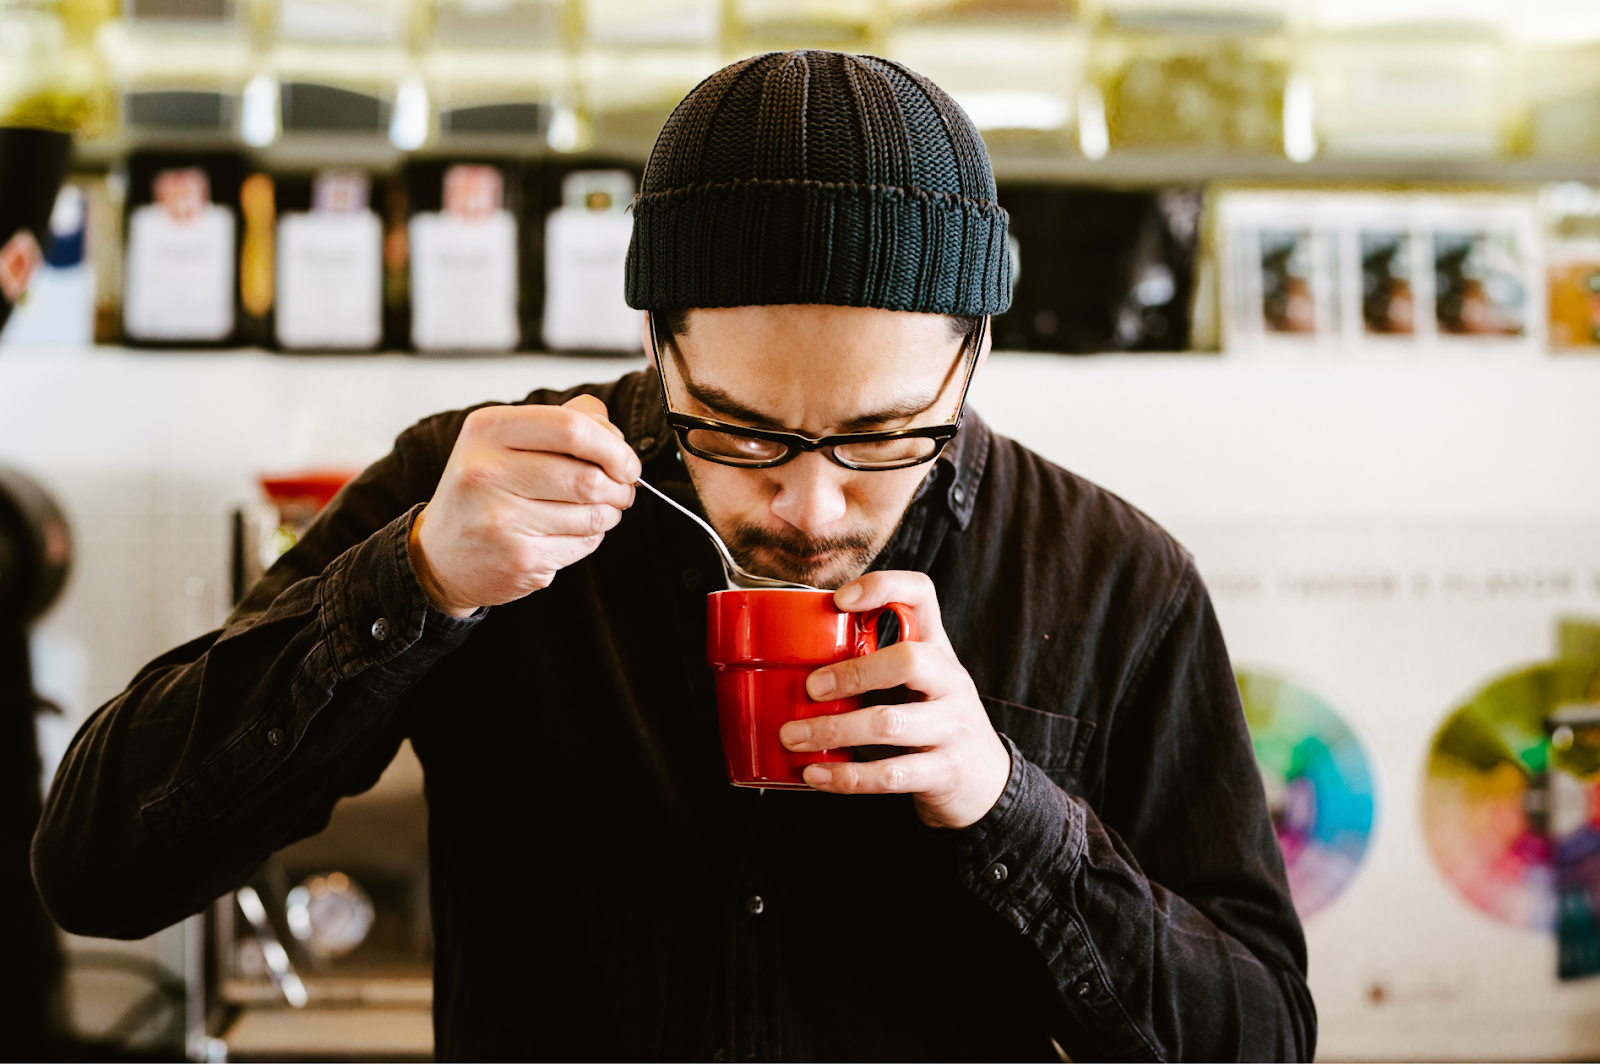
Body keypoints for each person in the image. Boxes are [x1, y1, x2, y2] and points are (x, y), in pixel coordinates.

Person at [33, 51, 1314, 1061]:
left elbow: (1260, 1032)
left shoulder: (1111, 578)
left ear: (969, 357)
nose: (809, 505)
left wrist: (1003, 802)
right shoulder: (476, 487)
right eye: (742, 429)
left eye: (882, 436)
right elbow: (96, 867)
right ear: (658, 341)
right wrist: (409, 580)